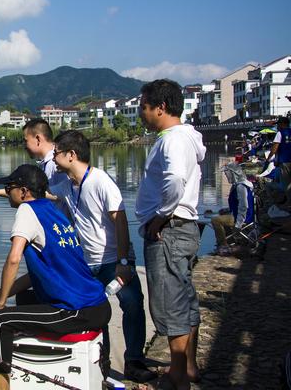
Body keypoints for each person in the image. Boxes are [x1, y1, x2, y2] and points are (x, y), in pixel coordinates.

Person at [0, 164, 111, 390]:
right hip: (98, 306)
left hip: (76, 310)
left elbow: (14, 258)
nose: (7, 192)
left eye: (10, 187)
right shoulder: (52, 211)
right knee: (26, 300)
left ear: (24, 191)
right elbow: (34, 275)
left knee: (1, 321)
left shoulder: (27, 211)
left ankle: (1, 387)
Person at [49, 130, 155, 382]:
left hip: (111, 261)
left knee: (132, 306)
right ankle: (103, 365)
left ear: (71, 155)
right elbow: (42, 194)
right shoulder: (68, 185)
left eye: (57, 153)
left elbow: (119, 220)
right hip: (87, 263)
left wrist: (123, 262)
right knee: (97, 314)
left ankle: (134, 361)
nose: (53, 158)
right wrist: (1, 193)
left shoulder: (100, 181)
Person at [136, 79, 206, 390]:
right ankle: (188, 366)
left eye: (144, 107)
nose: (142, 113)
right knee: (185, 296)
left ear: (160, 108)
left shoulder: (173, 140)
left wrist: (161, 217)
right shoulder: (185, 138)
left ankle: (178, 375)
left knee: (170, 302)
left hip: (171, 229)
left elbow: (176, 178)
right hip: (183, 227)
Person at [0, 118, 67, 202]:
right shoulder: (45, 163)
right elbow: (29, 192)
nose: (24, 146)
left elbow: (61, 196)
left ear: (38, 139)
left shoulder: (56, 164)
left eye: (26, 141)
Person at [211, 163, 254, 256]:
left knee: (215, 220)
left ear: (233, 173)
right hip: (241, 214)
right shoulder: (241, 184)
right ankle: (230, 240)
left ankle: (223, 245)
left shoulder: (241, 186)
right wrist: (227, 209)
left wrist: (239, 224)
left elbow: (244, 206)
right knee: (222, 213)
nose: (226, 175)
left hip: (245, 217)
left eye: (227, 173)